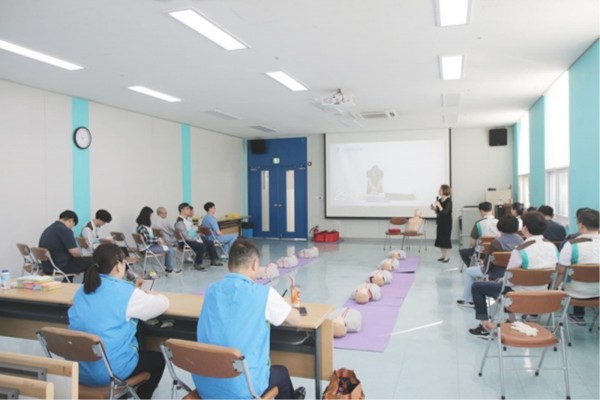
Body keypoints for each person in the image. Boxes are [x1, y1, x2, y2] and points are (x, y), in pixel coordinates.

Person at [193, 238, 305, 399]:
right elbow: (296, 320)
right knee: (281, 373)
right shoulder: (264, 293)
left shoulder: (211, 290)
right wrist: (288, 305)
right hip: (243, 389)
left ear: (228, 264)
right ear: (254, 265)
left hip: (206, 386)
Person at [68, 243, 169, 399]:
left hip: (77, 369)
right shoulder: (127, 293)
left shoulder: (81, 290)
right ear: (118, 266)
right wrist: (154, 295)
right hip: (107, 372)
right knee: (158, 359)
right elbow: (163, 305)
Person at [468, 211, 558, 338]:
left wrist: (501, 280)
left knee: (477, 287)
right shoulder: (552, 247)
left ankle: (484, 324)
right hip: (543, 292)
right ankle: (510, 320)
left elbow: (509, 280)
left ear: (525, 228)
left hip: (518, 294)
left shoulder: (521, 250)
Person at [456, 215, 523, 307]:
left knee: (468, 271)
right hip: (515, 274)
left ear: (500, 227)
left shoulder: (497, 242)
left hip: (497, 272)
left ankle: (469, 300)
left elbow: (487, 265)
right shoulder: (521, 240)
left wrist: (483, 266)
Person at [555, 208, 599, 325]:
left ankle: (578, 317)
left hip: (576, 292)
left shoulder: (571, 245)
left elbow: (561, 270)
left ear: (581, 225)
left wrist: (554, 289)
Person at [38, 210, 93, 277]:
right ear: (70, 220)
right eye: (73, 225)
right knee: (93, 260)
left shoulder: (49, 229)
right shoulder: (65, 230)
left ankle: (68, 281)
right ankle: (87, 286)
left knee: (77, 260)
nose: (72, 227)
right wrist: (81, 253)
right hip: (59, 267)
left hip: (47, 267)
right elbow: (75, 252)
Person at [174, 203, 222, 270]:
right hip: (185, 242)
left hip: (192, 238)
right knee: (201, 246)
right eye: (187, 209)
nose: (189, 210)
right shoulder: (180, 222)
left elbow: (191, 231)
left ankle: (213, 261)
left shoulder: (187, 219)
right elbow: (186, 237)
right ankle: (198, 264)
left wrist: (198, 235)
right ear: (182, 210)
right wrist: (197, 240)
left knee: (210, 242)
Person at [135, 206, 179, 275]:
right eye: (150, 215)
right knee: (170, 250)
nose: (151, 217)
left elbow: (148, 238)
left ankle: (168, 267)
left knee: (168, 248)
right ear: (146, 216)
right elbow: (148, 240)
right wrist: (157, 240)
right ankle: (169, 269)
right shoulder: (143, 227)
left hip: (146, 247)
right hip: (147, 248)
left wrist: (157, 240)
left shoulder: (140, 226)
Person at [458, 202, 500, 268]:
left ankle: (471, 268)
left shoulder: (478, 224)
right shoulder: (499, 222)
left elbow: (473, 243)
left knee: (462, 252)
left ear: (481, 211)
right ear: (492, 210)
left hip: (482, 253)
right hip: (497, 252)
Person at [431, 184, 452, 263]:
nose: (438, 191)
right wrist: (434, 209)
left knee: (445, 239)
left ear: (444, 191)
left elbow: (445, 212)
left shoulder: (449, 201)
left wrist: (439, 205)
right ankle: (443, 256)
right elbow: (439, 212)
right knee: (440, 239)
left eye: (440, 189)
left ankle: (447, 257)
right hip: (440, 222)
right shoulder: (439, 200)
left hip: (446, 223)